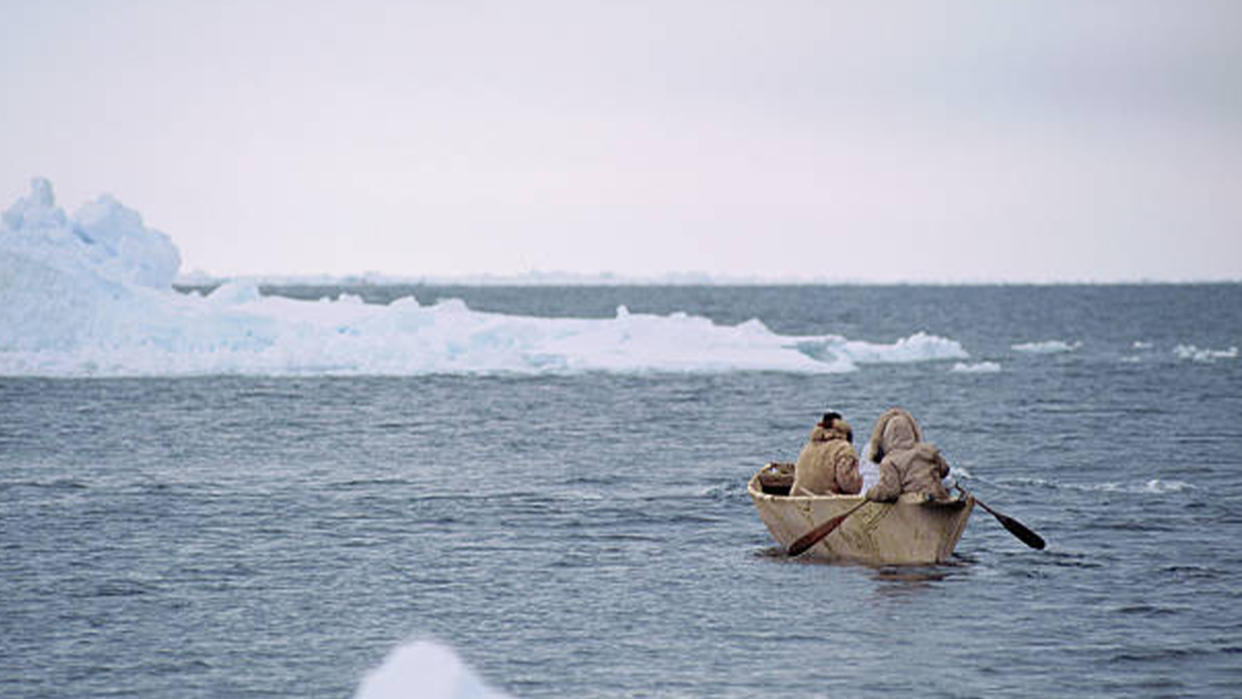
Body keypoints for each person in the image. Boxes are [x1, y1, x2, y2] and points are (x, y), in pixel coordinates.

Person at [863, 407, 952, 503]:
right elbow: (945, 470)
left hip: (917, 504)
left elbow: (891, 491)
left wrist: (871, 493)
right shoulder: (928, 451)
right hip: (939, 496)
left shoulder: (889, 462)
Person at [790, 411, 863, 496]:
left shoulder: (808, 447)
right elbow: (849, 485)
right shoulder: (843, 448)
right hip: (827, 503)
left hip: (799, 498)